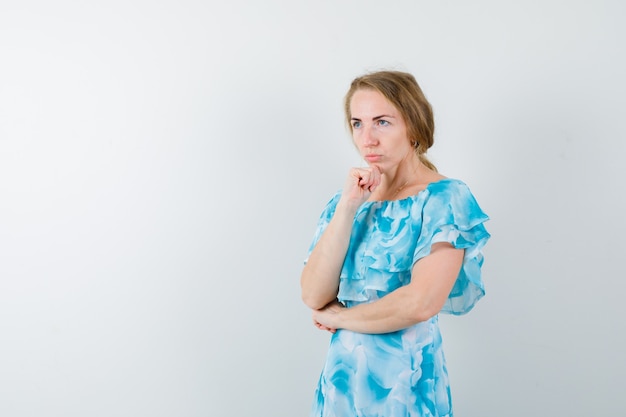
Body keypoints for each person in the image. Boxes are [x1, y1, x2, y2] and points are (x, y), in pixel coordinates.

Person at [300, 70, 490, 417]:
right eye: (357, 123)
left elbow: (419, 303)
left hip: (407, 382)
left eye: (382, 122)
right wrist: (347, 208)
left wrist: (340, 318)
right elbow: (313, 295)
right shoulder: (347, 201)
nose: (367, 139)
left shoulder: (445, 199)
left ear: (413, 126)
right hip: (343, 380)